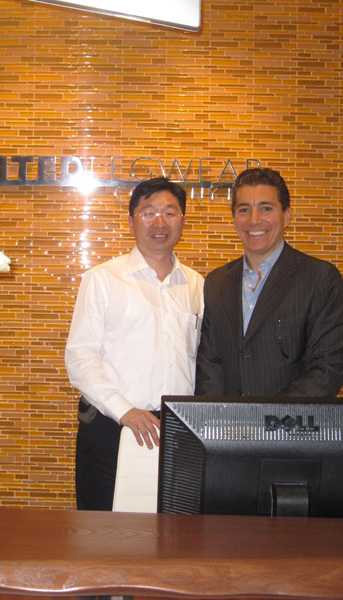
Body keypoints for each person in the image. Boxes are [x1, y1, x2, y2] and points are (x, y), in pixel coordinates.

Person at [65, 177, 204, 511]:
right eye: (148, 213)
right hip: (112, 427)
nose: (160, 222)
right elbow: (80, 358)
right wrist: (125, 411)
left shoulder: (197, 285)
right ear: (131, 221)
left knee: (176, 529)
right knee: (105, 532)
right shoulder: (103, 279)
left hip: (177, 432)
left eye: (170, 212)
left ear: (182, 220)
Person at [195, 167, 343, 397]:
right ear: (234, 219)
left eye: (266, 208)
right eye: (244, 209)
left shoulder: (319, 278)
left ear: (286, 216)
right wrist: (219, 413)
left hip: (290, 418)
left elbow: (328, 366)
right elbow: (209, 361)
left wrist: (270, 415)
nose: (254, 220)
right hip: (227, 419)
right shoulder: (217, 282)